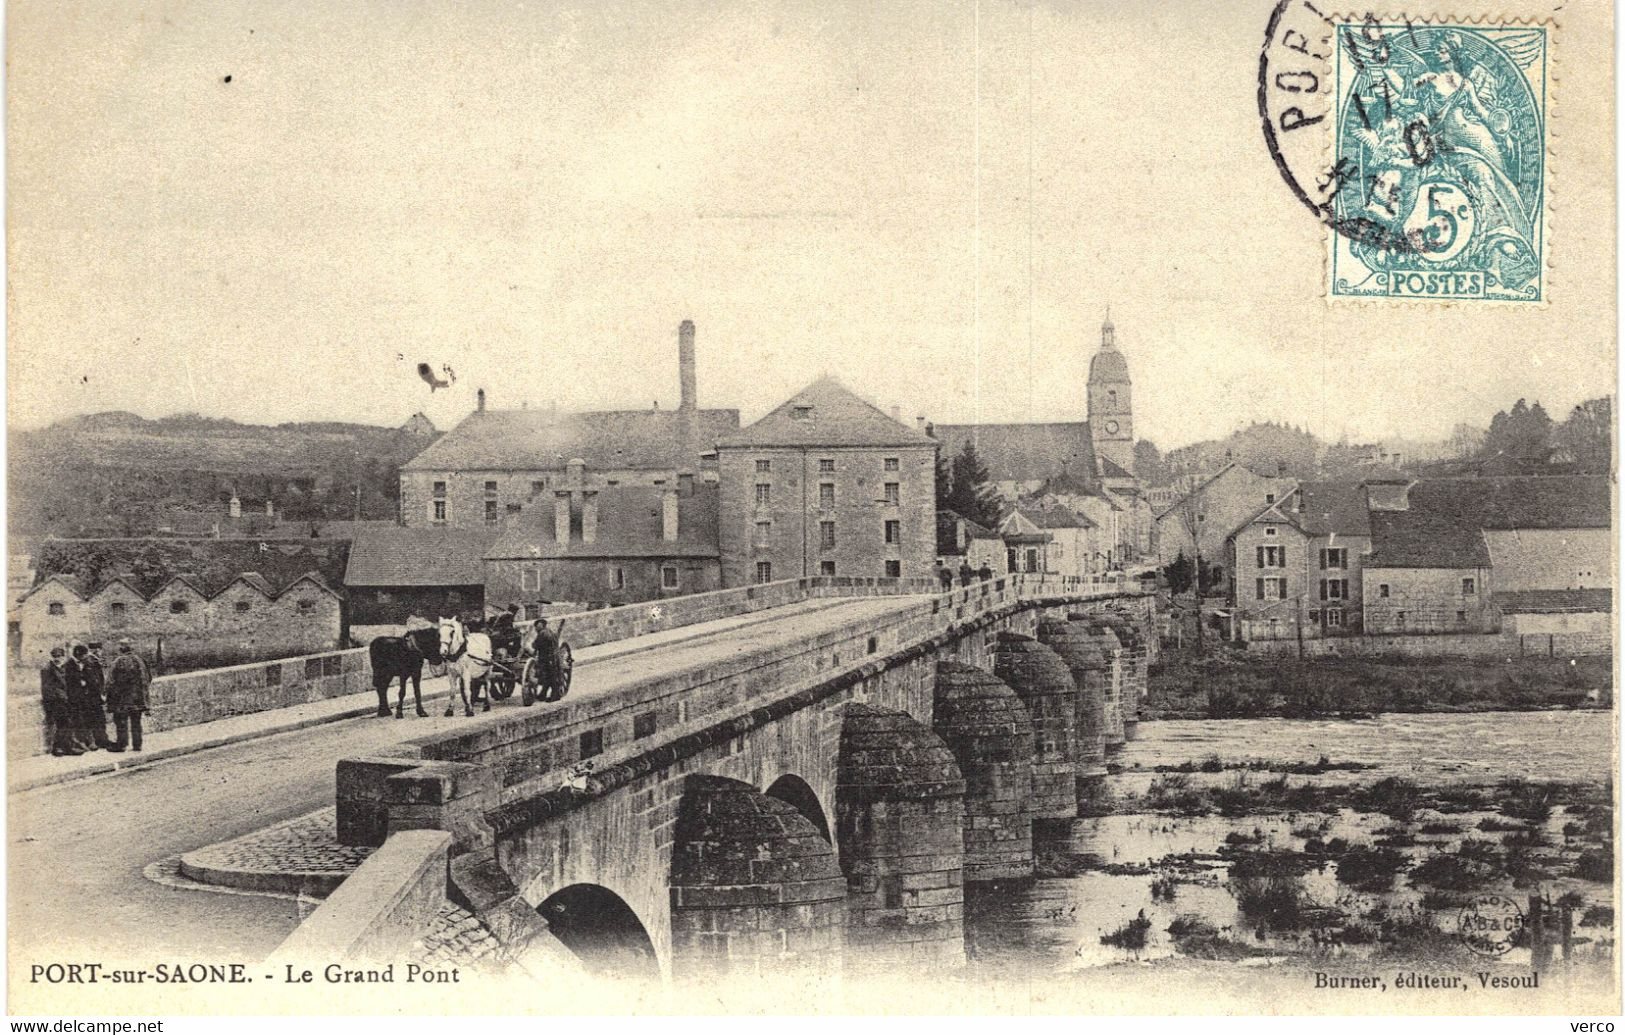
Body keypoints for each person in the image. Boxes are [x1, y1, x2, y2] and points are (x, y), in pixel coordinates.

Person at [107, 639, 150, 753]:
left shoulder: (118, 661)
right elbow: (148, 678)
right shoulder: (141, 660)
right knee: (136, 722)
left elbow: (111, 682)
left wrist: (110, 696)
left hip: (123, 698)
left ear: (121, 649)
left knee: (121, 721)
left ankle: (122, 745)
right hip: (139, 699)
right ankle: (137, 745)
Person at [71, 644, 114, 751]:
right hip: (88, 697)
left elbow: (99, 680)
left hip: (95, 696)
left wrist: (102, 693)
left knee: (99, 719)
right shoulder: (81, 664)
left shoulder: (93, 662)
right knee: (91, 720)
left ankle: (102, 740)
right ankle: (95, 741)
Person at [40, 648, 81, 757]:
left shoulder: (64, 668)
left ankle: (67, 747)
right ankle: (58, 748)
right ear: (52, 657)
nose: (57, 659)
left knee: (67, 723)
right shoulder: (47, 669)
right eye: (55, 657)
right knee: (62, 723)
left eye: (60, 656)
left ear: (63, 657)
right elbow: (46, 688)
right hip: (56, 701)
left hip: (65, 700)